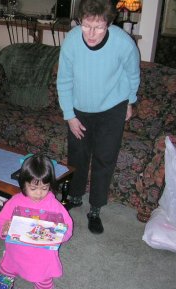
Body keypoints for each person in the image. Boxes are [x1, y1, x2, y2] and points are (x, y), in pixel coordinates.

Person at [56, 0, 140, 234]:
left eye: (99, 27)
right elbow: (64, 81)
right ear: (80, 21)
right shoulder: (72, 40)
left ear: (108, 24)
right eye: (86, 25)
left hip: (112, 108)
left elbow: (133, 73)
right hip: (80, 109)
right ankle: (74, 196)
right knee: (78, 155)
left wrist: (130, 101)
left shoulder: (123, 43)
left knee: (104, 158)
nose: (91, 33)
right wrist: (69, 116)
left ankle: (95, 208)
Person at [0, 154, 73, 289]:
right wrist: (3, 229)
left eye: (44, 188)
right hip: (15, 253)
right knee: (3, 277)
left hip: (41, 258)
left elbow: (68, 226)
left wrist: (62, 234)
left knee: (43, 282)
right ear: (23, 184)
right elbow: (1, 220)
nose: (39, 193)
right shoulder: (15, 201)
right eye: (33, 188)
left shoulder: (54, 205)